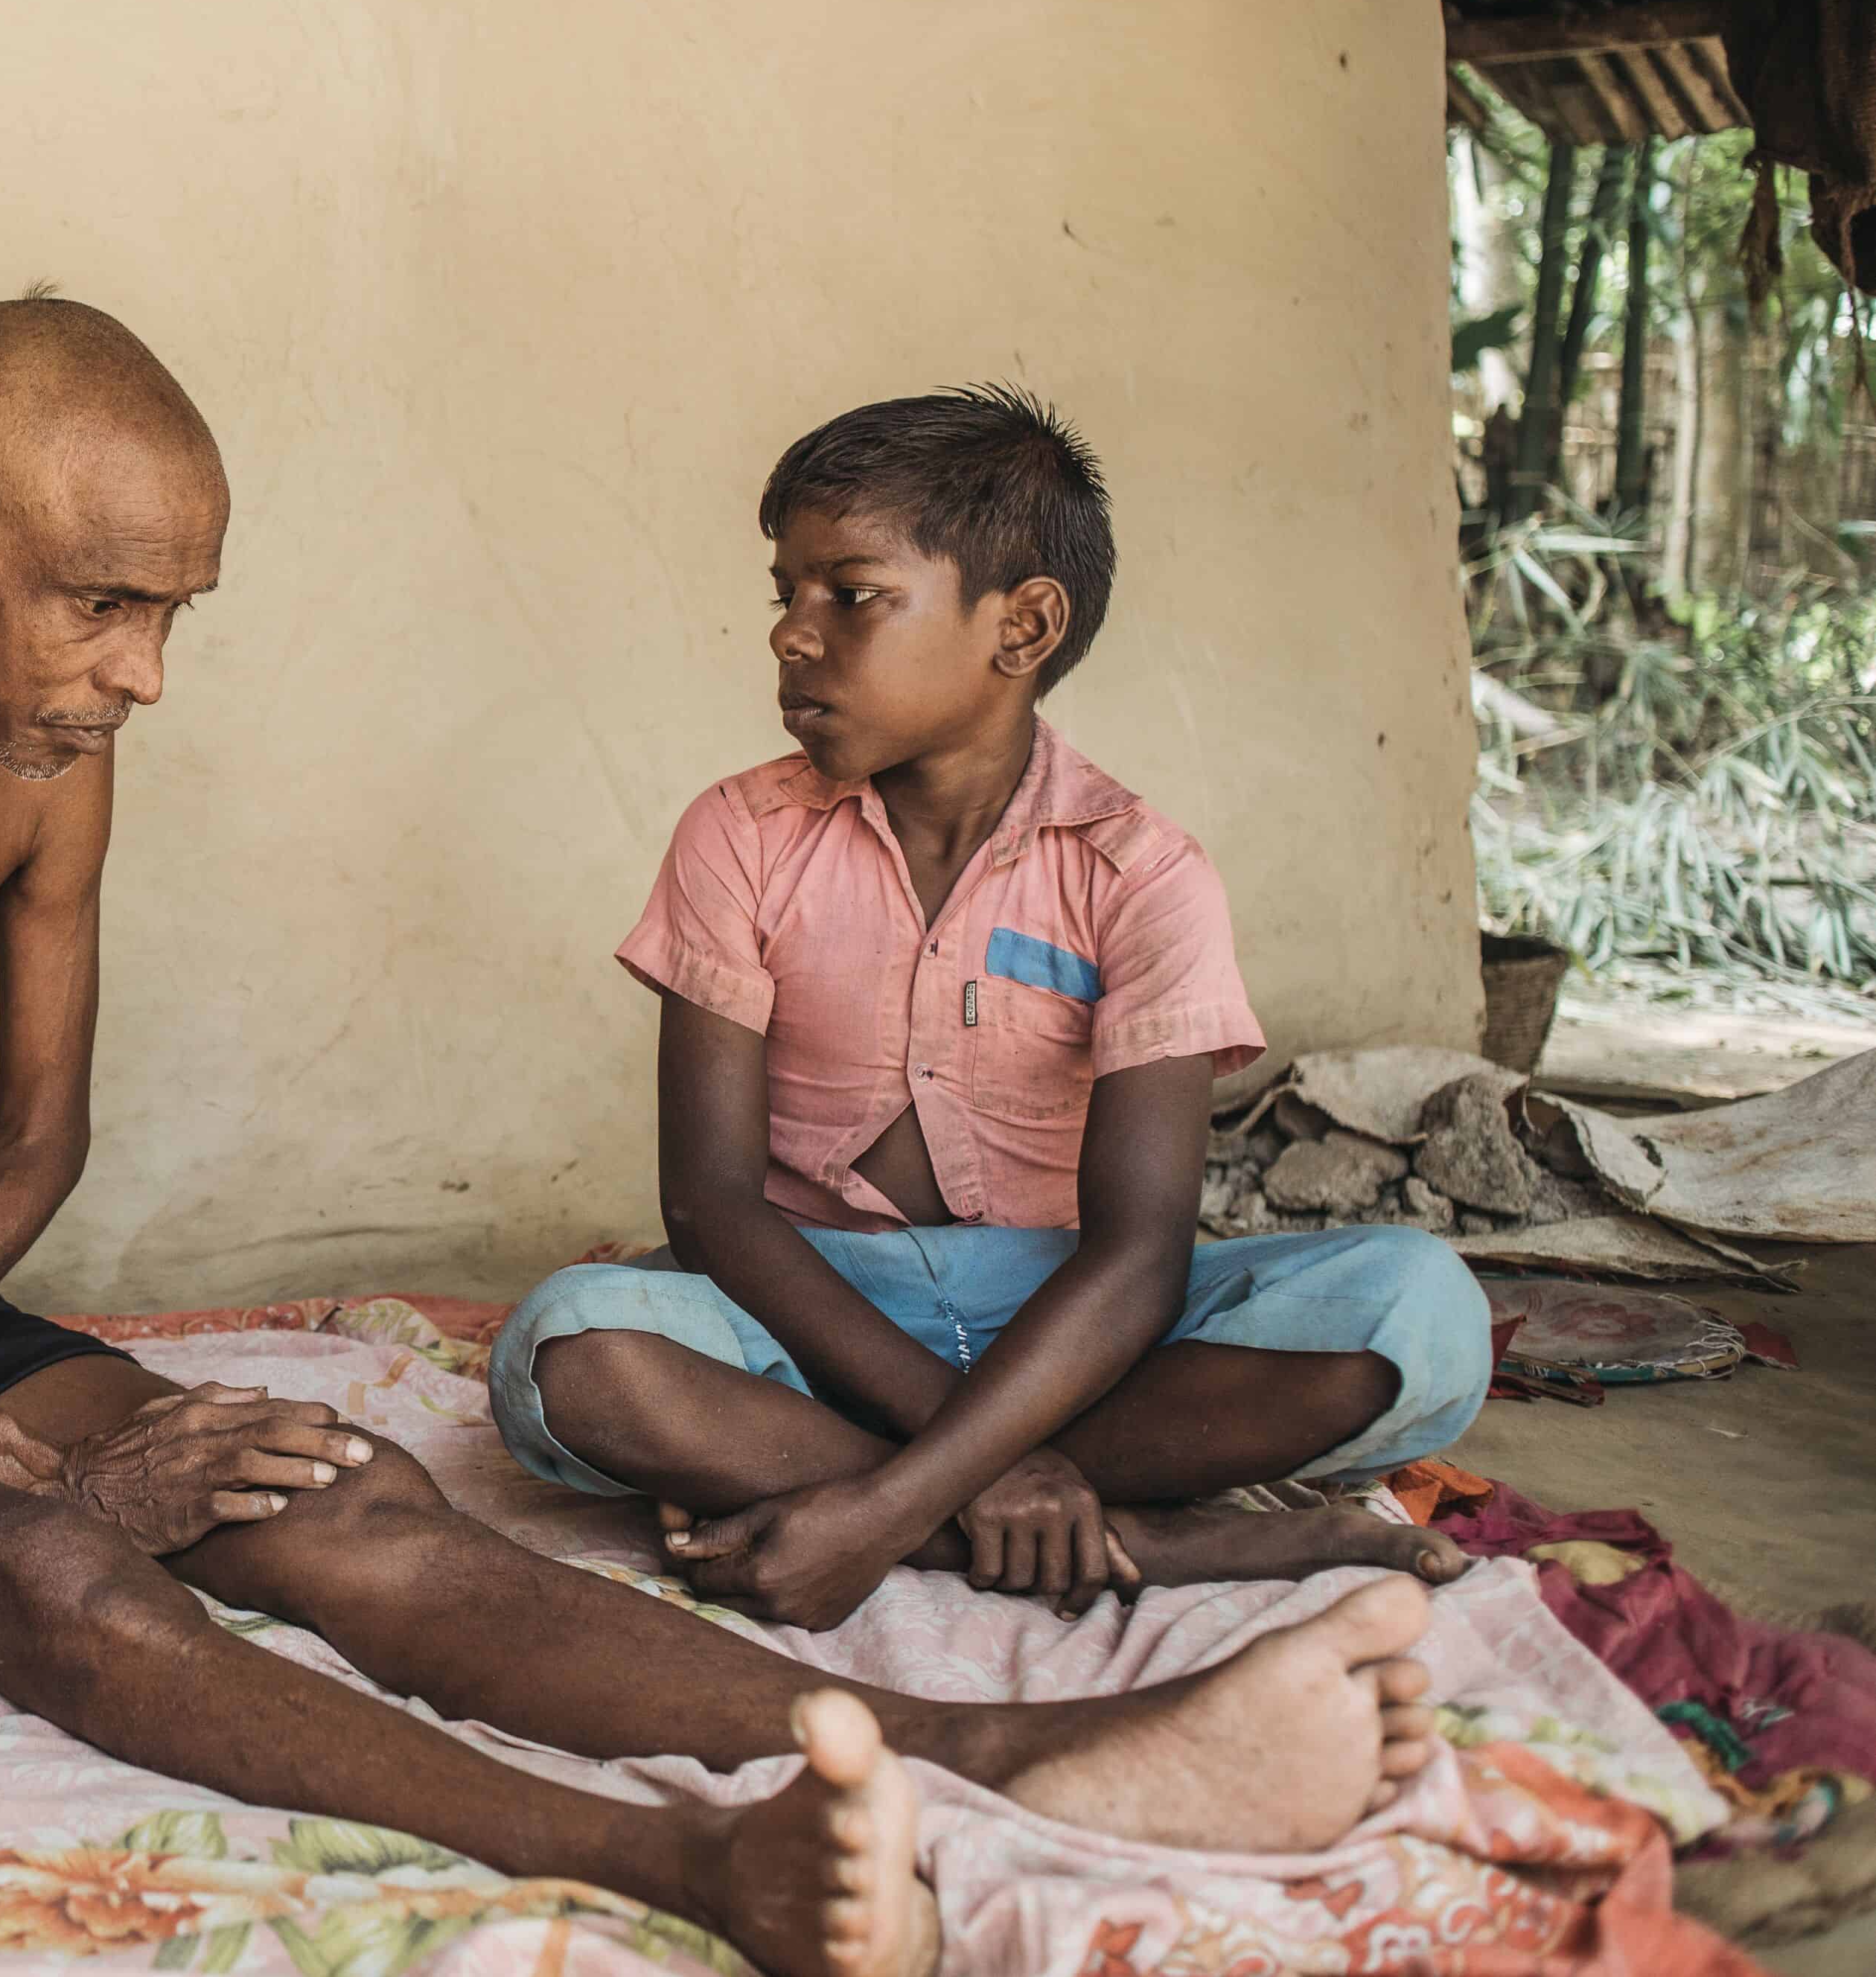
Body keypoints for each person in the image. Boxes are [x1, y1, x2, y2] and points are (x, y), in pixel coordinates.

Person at [0, 309, 1444, 1977]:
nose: (141, 669)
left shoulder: (44, 738)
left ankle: (1007, 1741)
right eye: (103, 601)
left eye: (173, 613)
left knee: (348, 1481)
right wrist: (8, 1444)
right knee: (45, 1554)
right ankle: (688, 1865)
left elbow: (35, 1135)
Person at [487, 386, 1496, 1635]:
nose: (792, 636)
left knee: (1417, 1309)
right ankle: (1125, 1530)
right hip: (807, 1301)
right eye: (782, 594)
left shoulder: (1142, 871)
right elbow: (708, 1203)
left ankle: (875, 1502)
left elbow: (1139, 1254)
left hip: (1070, 1326)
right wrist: (980, 1464)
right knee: (570, 1355)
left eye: (848, 595)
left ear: (1021, 626)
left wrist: (894, 1493)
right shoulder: (737, 836)